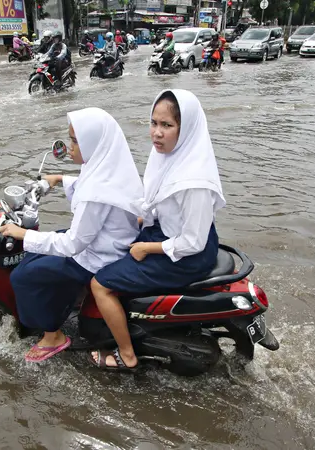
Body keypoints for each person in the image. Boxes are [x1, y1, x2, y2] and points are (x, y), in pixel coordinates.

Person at [86, 89, 226, 371]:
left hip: (186, 254)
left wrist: (147, 247)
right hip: (165, 233)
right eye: (154, 123)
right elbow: (158, 200)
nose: (157, 133)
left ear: (185, 130)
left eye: (167, 125)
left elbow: (193, 241)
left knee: (99, 285)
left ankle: (127, 356)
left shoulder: (194, 180)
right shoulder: (168, 156)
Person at [0, 107, 143, 362]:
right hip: (108, 242)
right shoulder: (108, 167)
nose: (70, 147)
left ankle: (54, 336)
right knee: (35, 255)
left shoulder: (97, 192)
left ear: (93, 143)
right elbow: (86, 183)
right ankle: (64, 304)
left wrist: (22, 234)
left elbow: (74, 243)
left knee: (23, 275)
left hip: (98, 256)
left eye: (76, 141)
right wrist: (58, 179)